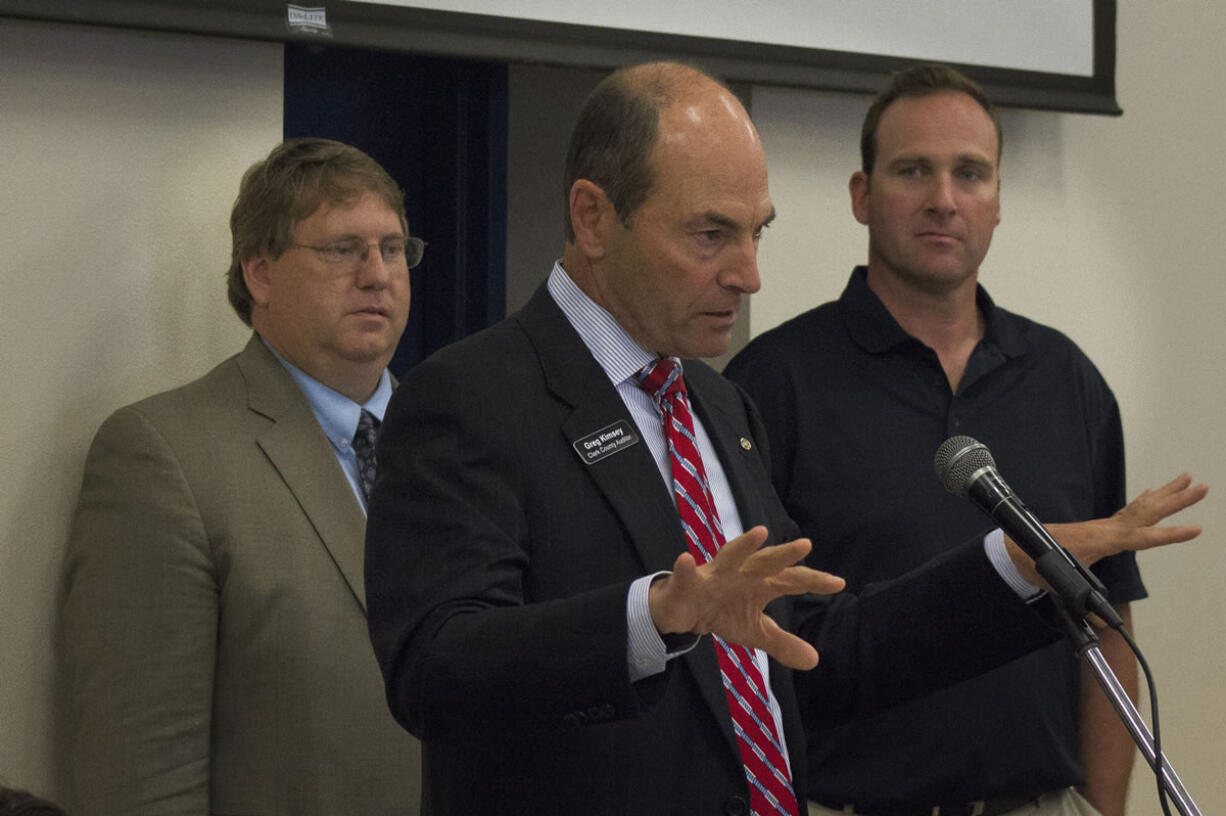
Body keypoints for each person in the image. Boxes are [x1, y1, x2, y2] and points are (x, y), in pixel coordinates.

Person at [364, 62, 1205, 816]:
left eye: (756, 231)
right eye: (710, 234)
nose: (748, 273)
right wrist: (654, 615)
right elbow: (435, 670)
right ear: (593, 217)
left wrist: (1008, 571)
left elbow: (815, 653)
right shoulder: (472, 395)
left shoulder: (717, 405)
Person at [726, 64, 1142, 816]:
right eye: (913, 169)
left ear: (998, 201)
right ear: (863, 195)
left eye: (970, 173)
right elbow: (739, 646)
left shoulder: (1067, 382)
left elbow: (1109, 626)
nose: (943, 199)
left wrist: (1102, 808)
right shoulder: (773, 383)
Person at [59, 138, 423, 815]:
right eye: (343, 249)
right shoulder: (164, 456)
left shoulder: (455, 441)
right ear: (261, 274)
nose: (378, 275)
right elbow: (143, 776)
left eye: (394, 248)